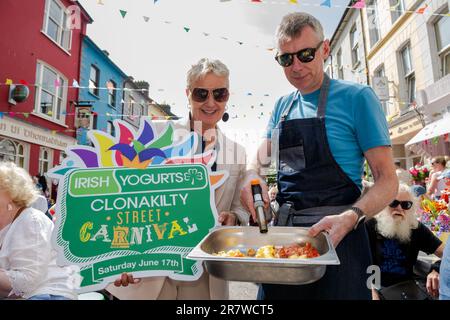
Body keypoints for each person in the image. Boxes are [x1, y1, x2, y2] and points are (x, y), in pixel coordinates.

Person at [240, 12, 398, 300]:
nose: (296, 66)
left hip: (341, 240)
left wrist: (351, 217)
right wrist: (251, 176)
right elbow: (258, 161)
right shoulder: (281, 107)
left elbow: (388, 182)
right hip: (285, 241)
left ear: (324, 49)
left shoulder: (357, 98)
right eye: (286, 59)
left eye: (306, 54)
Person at [106, 58, 249, 300]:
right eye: (201, 93)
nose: (211, 102)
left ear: (228, 95)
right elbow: (122, 199)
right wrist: (119, 259)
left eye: (219, 93)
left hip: (205, 278)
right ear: (188, 93)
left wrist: (234, 216)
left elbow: (238, 208)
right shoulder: (155, 134)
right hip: (150, 275)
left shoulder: (237, 152)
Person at [0, 161, 80, 300]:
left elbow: (27, 281)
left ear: (11, 193)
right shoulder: (10, 222)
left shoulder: (30, 220)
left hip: (49, 295)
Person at [366, 184, 444, 299]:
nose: (399, 208)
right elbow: (355, 264)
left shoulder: (415, 228)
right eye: (393, 203)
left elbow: (446, 253)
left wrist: (436, 269)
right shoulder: (369, 226)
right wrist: (370, 291)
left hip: (406, 290)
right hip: (373, 287)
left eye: (406, 205)